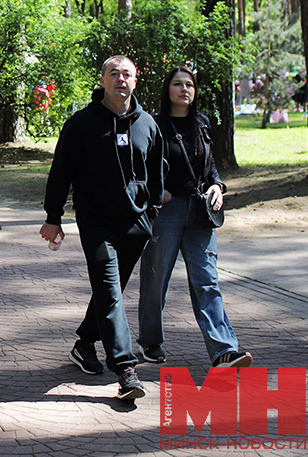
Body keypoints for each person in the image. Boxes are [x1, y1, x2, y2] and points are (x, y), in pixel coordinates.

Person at [39, 55, 164, 402]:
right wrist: (54, 217)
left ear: (135, 81)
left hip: (136, 223)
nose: (120, 79)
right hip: (96, 222)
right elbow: (61, 171)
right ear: (103, 80)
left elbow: (156, 173)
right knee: (109, 291)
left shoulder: (148, 124)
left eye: (127, 74)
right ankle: (125, 370)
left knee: (110, 292)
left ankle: (84, 342)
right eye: (114, 74)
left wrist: (151, 212)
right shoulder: (81, 124)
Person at [138, 66, 253, 368]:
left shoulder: (202, 123)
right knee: (155, 279)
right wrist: (156, 191)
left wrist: (217, 185)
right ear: (168, 90)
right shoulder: (153, 124)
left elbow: (209, 166)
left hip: (200, 212)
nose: (184, 89)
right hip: (166, 212)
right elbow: (141, 165)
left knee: (207, 280)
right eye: (177, 84)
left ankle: (224, 351)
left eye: (189, 85)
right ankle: (150, 342)